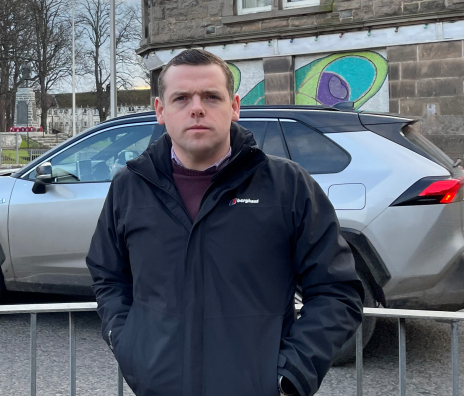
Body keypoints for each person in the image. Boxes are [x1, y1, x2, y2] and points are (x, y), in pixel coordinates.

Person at [86, 49, 363, 396]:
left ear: (234, 107)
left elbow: (336, 292)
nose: (197, 107)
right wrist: (129, 345)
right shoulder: (129, 187)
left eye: (211, 97)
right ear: (161, 110)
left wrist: (289, 376)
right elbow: (108, 277)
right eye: (182, 98)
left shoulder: (288, 185)